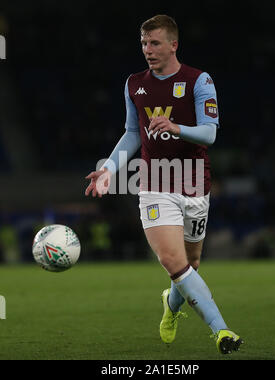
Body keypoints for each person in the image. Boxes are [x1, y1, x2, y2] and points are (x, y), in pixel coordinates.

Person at [85, 14, 243, 354]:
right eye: (143, 43)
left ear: (173, 44)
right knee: (174, 262)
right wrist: (109, 168)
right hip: (155, 183)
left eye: (154, 43)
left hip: (195, 183)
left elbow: (209, 133)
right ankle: (222, 331)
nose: (147, 50)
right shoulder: (133, 84)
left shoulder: (199, 81)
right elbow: (132, 133)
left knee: (190, 264)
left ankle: (170, 306)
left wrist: (176, 127)